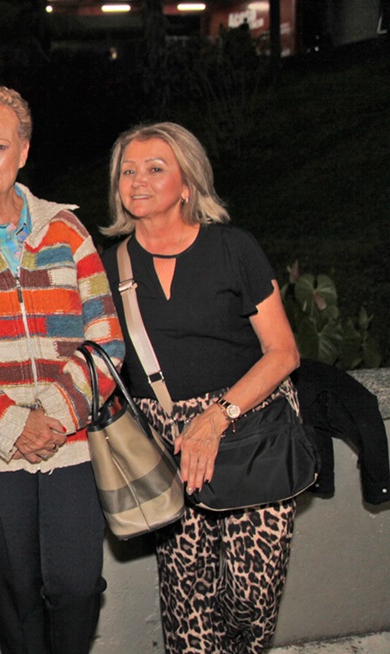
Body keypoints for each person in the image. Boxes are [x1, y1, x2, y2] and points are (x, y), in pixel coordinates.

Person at [0, 86, 124, 654]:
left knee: (76, 585)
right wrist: (10, 426)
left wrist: (55, 417)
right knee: (15, 595)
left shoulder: (66, 229)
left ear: (24, 152)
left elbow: (106, 338)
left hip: (72, 441)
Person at [98, 122, 302, 653]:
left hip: (246, 428)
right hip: (164, 439)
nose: (137, 180)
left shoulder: (234, 248)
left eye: (155, 168)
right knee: (187, 598)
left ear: (188, 183)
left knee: (251, 595)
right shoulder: (106, 263)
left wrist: (216, 418)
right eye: (128, 170)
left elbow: (283, 352)